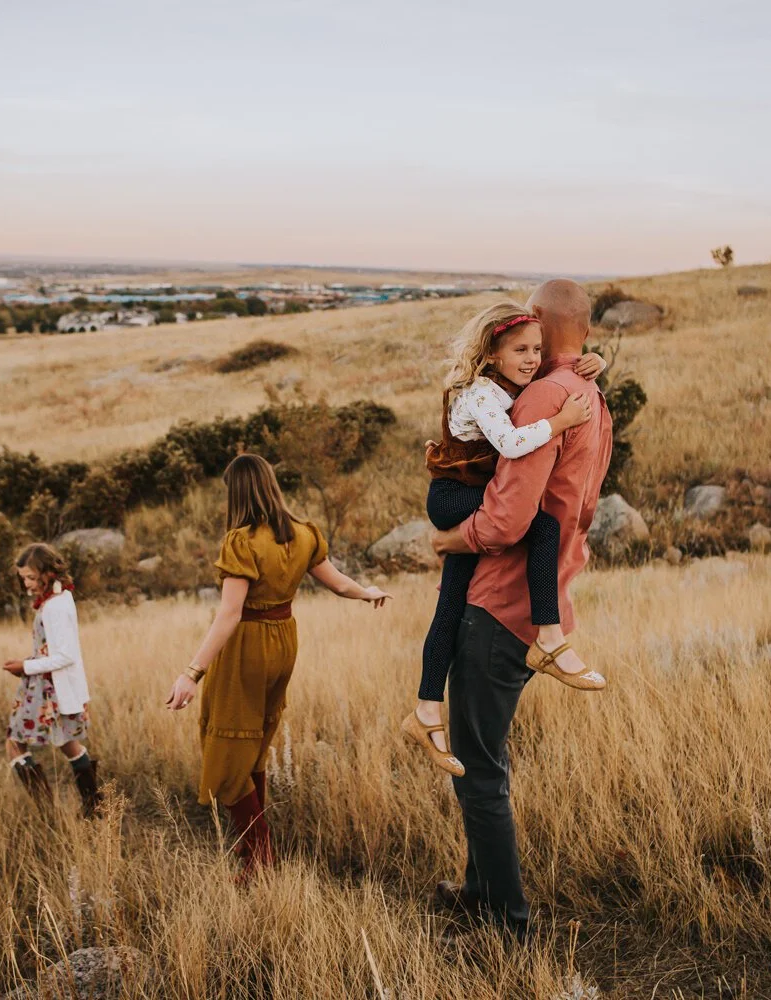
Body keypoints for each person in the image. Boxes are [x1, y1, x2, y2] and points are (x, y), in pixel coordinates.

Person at [429, 279, 614, 940]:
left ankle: (506, 924)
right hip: (545, 600)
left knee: (479, 768)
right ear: (585, 329)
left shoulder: (541, 398)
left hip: (499, 605)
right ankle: (480, 889)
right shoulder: (591, 393)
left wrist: (454, 538)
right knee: (482, 756)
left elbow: (507, 519)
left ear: (534, 321)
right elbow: (584, 508)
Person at [404, 301, 607, 777]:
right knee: (541, 528)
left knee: (449, 608)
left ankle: (426, 713)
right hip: (453, 497)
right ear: (492, 354)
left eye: (538, 348)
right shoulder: (479, 393)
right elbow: (514, 443)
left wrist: (598, 364)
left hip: (471, 491)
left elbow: (554, 377)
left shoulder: (513, 383)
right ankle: (550, 637)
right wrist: (558, 423)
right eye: (520, 349)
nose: (533, 358)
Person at [164, 454, 390, 880]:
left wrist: (191, 673)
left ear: (238, 492)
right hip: (284, 641)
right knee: (254, 743)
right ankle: (256, 852)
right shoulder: (302, 533)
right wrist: (366, 592)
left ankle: (260, 852)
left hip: (247, 647)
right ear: (270, 485)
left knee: (228, 750)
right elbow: (339, 582)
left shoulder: (242, 541)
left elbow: (229, 614)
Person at [1, 543, 101, 819]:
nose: (27, 584)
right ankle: (94, 805)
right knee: (68, 742)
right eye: (23, 578)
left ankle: (46, 812)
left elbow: (65, 656)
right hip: (49, 684)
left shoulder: (56, 606)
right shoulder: (57, 599)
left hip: (49, 689)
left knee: (14, 743)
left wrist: (26, 666)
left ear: (48, 573)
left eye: (32, 578)